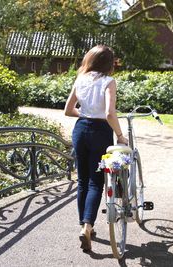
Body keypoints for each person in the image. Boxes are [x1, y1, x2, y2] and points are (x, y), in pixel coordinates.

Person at [64, 45, 128, 252]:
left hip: (80, 130)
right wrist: (120, 135)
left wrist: (84, 115)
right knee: (95, 182)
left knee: (82, 181)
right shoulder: (108, 82)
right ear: (109, 64)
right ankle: (88, 226)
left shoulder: (81, 79)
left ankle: (84, 225)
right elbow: (110, 113)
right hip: (100, 133)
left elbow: (68, 110)